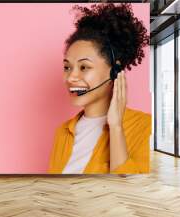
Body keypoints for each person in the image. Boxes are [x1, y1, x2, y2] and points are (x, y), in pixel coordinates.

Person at [48, 3, 151, 174]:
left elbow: (131, 194)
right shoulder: (63, 133)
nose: (71, 77)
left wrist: (116, 127)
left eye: (84, 67)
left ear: (115, 70)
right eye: (67, 67)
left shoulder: (144, 127)